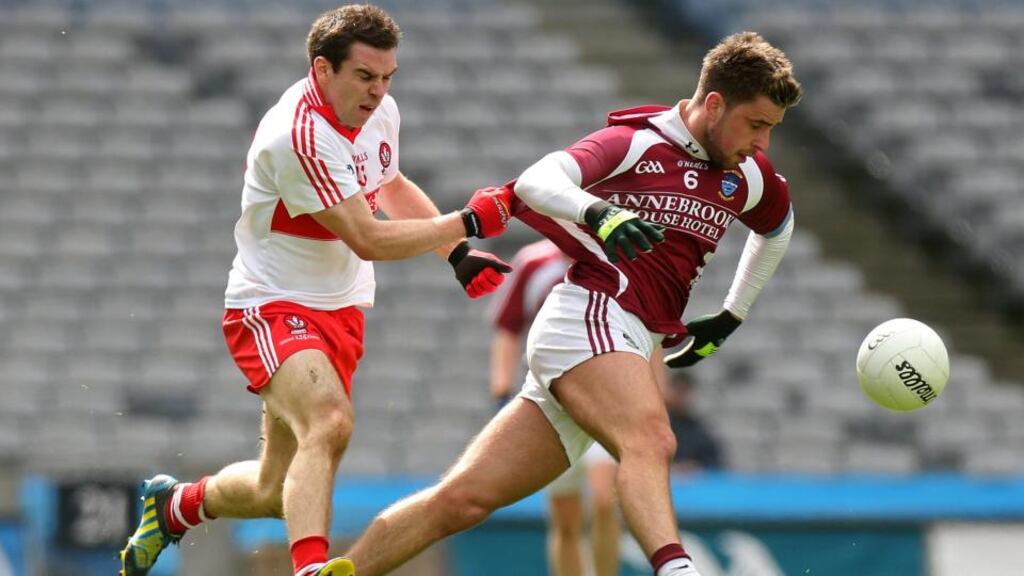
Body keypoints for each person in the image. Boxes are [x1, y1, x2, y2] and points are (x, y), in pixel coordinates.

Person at [342, 31, 802, 576]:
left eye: (772, 128)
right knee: (651, 437)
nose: (763, 143)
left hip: (627, 334)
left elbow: (778, 228)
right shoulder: (637, 142)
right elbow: (538, 180)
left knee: (462, 500)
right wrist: (597, 213)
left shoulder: (747, 175)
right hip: (588, 315)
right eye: (756, 124)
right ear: (716, 103)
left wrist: (732, 313)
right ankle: (678, 569)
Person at [119, 5, 515, 576]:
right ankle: (311, 569)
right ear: (322, 69)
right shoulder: (299, 136)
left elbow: (391, 182)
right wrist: (468, 222)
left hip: (340, 308)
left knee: (270, 490)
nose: (379, 92)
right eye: (365, 77)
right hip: (272, 304)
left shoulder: (378, 111)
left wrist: (455, 255)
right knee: (330, 421)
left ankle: (176, 505)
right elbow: (367, 237)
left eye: (387, 78)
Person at [489, 239, 621, 576]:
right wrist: (502, 392)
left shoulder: (612, 258)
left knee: (605, 499)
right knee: (566, 518)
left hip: (605, 399)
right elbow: (508, 328)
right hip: (552, 401)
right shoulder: (533, 262)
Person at [663, 371, 722, 474]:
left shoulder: (699, 429)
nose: (682, 397)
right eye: (678, 391)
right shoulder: (660, 426)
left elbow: (714, 463)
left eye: (685, 392)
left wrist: (696, 467)